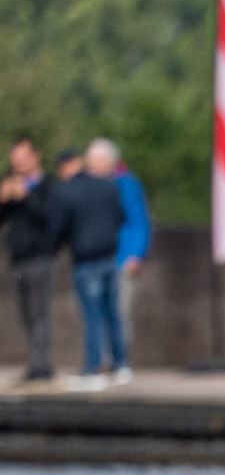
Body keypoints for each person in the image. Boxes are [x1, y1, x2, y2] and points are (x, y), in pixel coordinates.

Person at [50, 138, 127, 392]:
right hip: (109, 257)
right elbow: (119, 218)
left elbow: (58, 229)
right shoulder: (109, 186)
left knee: (92, 315)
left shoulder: (67, 190)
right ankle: (121, 365)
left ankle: (94, 367)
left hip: (86, 261)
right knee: (112, 314)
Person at [0, 136, 56, 384]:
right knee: (25, 314)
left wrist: (26, 196)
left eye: (23, 159)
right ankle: (35, 361)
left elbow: (48, 217)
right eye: (15, 160)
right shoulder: (10, 182)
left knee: (39, 313)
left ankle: (41, 365)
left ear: (35, 156)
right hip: (17, 259)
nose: (18, 165)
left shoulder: (47, 184)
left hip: (41, 258)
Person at [104, 143, 148, 362]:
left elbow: (139, 220)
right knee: (101, 314)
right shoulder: (102, 183)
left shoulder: (126, 183)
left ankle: (120, 361)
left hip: (123, 258)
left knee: (120, 313)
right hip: (103, 257)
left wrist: (135, 254)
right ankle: (104, 361)